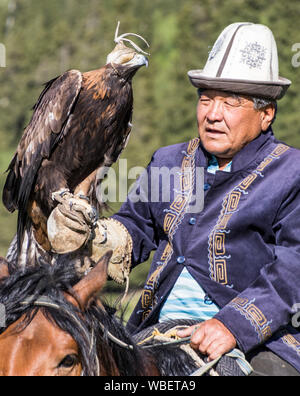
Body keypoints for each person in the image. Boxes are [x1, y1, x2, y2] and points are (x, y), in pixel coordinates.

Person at [48, 23, 300, 375]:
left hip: (257, 340)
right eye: (207, 98)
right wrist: (94, 238)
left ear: (266, 113)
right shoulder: (169, 161)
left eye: (230, 102)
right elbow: (135, 226)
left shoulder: (291, 173)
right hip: (155, 331)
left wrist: (232, 326)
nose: (213, 114)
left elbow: (293, 268)